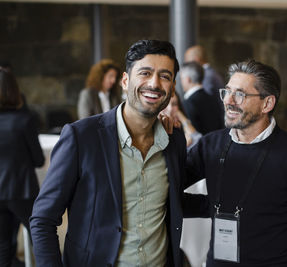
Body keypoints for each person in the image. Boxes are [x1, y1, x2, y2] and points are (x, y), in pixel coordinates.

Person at [30, 39, 188, 267]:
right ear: (125, 80)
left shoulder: (173, 140)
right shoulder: (81, 137)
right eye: (145, 73)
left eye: (165, 76)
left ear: (172, 87)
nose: (154, 83)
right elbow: (43, 220)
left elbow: (174, 199)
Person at [185, 59, 287, 266]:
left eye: (239, 94)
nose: (228, 101)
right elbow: (168, 186)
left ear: (267, 103)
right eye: (227, 91)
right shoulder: (210, 145)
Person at [0, 68, 44, 267]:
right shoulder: (24, 120)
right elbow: (38, 160)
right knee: (41, 233)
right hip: (22, 191)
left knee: (3, 247)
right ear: (14, 90)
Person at [180, 61, 224, 135]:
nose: (181, 82)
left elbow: (192, 135)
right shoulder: (213, 99)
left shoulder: (188, 103)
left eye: (181, 78)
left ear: (187, 79)